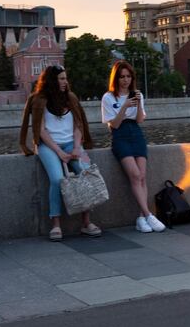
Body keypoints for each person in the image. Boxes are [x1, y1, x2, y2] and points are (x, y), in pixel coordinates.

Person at [19, 65, 101, 241]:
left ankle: (86, 223)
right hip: (48, 146)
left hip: (72, 144)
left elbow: (78, 125)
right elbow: (40, 130)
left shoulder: (70, 98)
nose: (65, 82)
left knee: (86, 174)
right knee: (57, 179)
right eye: (61, 79)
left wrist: (77, 147)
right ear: (51, 81)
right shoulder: (39, 100)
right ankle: (55, 225)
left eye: (65, 78)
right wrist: (59, 152)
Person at [102, 61, 165, 233]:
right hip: (120, 135)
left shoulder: (138, 95)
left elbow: (139, 120)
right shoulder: (108, 97)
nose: (125, 80)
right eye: (122, 77)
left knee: (142, 176)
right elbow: (113, 125)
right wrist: (124, 107)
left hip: (136, 133)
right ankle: (149, 214)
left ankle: (141, 218)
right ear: (116, 78)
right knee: (135, 175)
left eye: (128, 76)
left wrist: (137, 105)